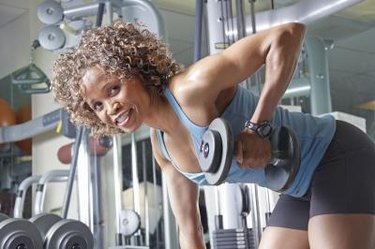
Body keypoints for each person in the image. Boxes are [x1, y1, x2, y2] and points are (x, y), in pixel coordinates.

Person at [51, 20, 375, 249]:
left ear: (136, 71)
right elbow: (189, 231)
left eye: (114, 88)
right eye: (97, 105)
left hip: (336, 155)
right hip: (297, 189)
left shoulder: (192, 87)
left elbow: (288, 34)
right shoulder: (162, 147)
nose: (110, 107)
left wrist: (256, 126)